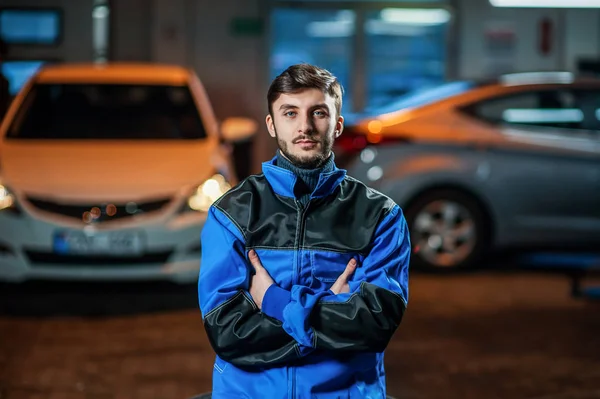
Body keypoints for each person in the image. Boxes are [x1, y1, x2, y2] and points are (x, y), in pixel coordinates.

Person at [198, 63, 410, 398]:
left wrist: (274, 300)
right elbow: (229, 334)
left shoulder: (381, 217)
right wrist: (329, 314)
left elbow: (373, 326)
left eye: (319, 113)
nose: (305, 126)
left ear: (338, 124)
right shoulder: (231, 214)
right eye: (290, 113)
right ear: (271, 124)